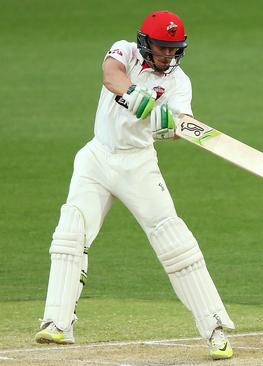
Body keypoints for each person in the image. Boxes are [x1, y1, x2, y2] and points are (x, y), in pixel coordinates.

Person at [34, 10, 235, 360]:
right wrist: (134, 95)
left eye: (174, 50)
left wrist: (168, 125)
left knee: (174, 241)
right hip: (96, 156)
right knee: (70, 232)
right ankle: (58, 323)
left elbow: (183, 124)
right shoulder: (124, 52)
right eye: (162, 48)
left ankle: (215, 328)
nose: (168, 56)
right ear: (145, 42)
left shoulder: (179, 82)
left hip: (138, 164)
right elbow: (109, 75)